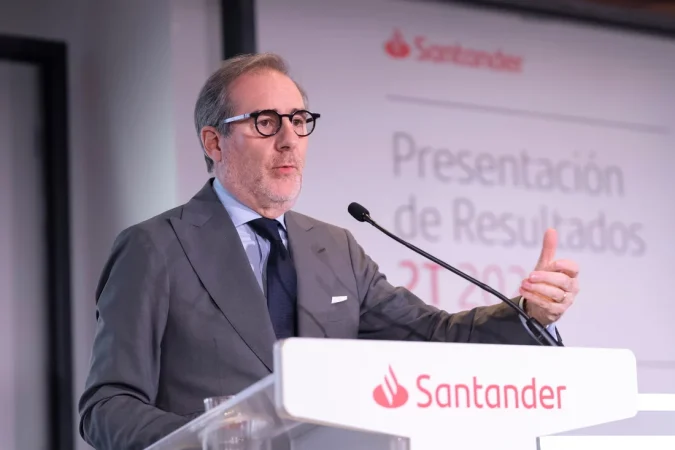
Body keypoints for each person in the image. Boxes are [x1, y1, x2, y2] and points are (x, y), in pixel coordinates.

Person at [78, 52, 579, 450]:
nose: (289, 140)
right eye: (266, 122)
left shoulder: (335, 249)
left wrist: (530, 314)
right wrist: (207, 440)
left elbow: (434, 337)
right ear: (214, 142)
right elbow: (106, 407)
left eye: (298, 120)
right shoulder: (155, 248)